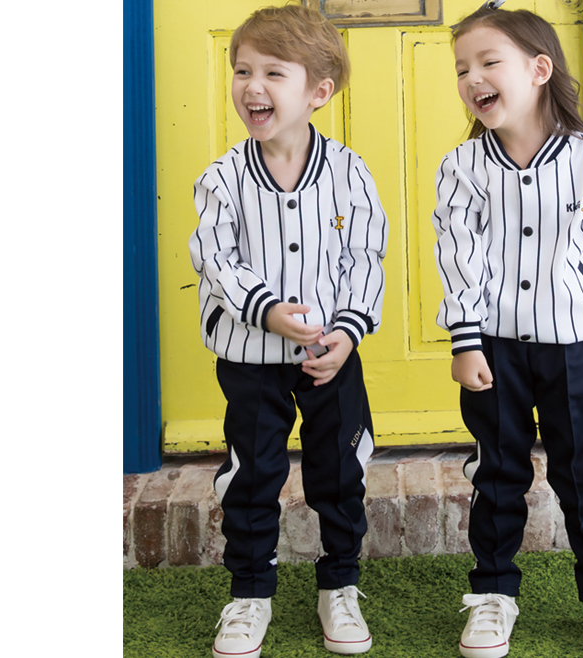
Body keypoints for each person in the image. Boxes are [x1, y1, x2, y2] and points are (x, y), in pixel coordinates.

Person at [431, 4, 583, 658]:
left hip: (576, 345)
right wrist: (465, 339)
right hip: (493, 348)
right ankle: (492, 594)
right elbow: (458, 257)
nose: (472, 78)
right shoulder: (462, 167)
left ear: (539, 69)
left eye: (488, 62)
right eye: (462, 68)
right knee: (496, 472)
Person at [188, 5, 388, 657]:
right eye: (243, 70)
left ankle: (340, 584)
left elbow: (365, 259)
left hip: (331, 357)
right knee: (252, 473)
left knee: (341, 469)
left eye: (274, 73)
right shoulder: (222, 180)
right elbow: (216, 261)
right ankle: (250, 591)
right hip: (250, 358)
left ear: (318, 92)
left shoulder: (350, 173)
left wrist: (348, 333)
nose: (253, 86)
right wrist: (268, 310)